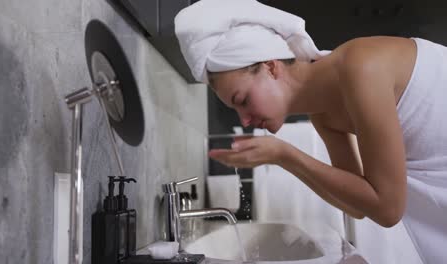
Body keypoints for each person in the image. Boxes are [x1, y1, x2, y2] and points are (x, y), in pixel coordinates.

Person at [174, 0, 447, 263]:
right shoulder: (324, 116)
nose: (244, 120)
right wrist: (283, 158)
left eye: (242, 100)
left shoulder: (361, 67)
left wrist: (286, 155)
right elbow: (357, 208)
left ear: (271, 67)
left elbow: (388, 209)